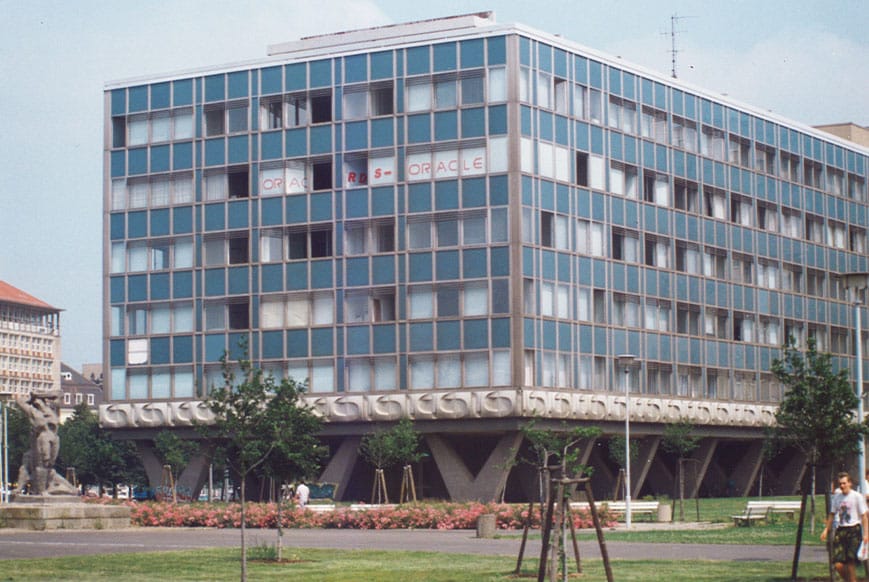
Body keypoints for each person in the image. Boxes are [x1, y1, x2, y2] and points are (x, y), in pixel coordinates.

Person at [821, 472, 869, 582]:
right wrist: (826, 529)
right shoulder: (837, 497)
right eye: (840, 484)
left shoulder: (857, 497)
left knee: (850, 561)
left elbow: (864, 517)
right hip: (841, 530)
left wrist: (866, 534)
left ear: (850, 483)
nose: (842, 486)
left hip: (853, 530)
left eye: (844, 483)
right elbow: (832, 514)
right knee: (838, 564)